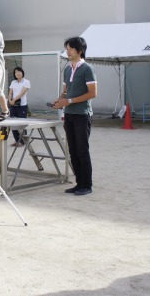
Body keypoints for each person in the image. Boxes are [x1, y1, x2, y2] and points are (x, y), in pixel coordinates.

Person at [51, 37, 97, 196]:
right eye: (67, 48)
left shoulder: (87, 69)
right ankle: (79, 184)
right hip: (69, 114)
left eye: (70, 49)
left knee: (82, 150)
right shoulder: (67, 69)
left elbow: (93, 93)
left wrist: (69, 101)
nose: (67, 51)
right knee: (73, 151)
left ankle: (87, 185)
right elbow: (65, 92)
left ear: (80, 50)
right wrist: (59, 100)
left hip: (82, 115)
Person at [8, 66, 31, 147]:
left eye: (19, 72)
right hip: (13, 105)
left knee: (22, 124)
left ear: (22, 73)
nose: (18, 73)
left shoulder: (26, 82)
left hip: (22, 105)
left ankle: (22, 141)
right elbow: (10, 92)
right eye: (16, 72)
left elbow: (22, 93)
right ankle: (17, 140)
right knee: (13, 124)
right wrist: (10, 100)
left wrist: (14, 100)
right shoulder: (13, 82)